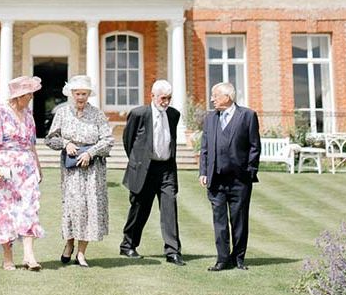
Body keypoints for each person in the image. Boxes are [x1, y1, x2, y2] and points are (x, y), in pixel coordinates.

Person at [44, 74, 113, 268]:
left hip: (92, 171)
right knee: (74, 208)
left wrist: (90, 152)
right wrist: (66, 143)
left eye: (84, 93)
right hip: (71, 171)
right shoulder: (63, 113)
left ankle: (81, 253)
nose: (80, 97)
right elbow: (50, 139)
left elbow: (108, 140)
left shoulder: (98, 114)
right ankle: (69, 244)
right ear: (71, 94)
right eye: (77, 93)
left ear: (89, 94)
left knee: (90, 209)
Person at [118, 79, 184, 265]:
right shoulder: (139, 114)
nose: (166, 102)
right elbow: (128, 141)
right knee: (140, 209)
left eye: (169, 98)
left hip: (166, 169)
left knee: (170, 209)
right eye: (163, 98)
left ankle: (172, 251)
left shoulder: (173, 114)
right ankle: (128, 245)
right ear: (152, 96)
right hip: (144, 169)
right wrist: (138, 162)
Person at [0, 75, 44, 271]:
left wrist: (38, 166)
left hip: (27, 167)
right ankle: (8, 256)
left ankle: (29, 255)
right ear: (18, 96)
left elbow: (32, 144)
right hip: (5, 168)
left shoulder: (28, 115)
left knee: (29, 207)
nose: (31, 98)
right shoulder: (0, 112)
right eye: (29, 95)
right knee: (5, 211)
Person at [199, 81, 261, 271]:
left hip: (239, 180)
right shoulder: (210, 118)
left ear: (228, 97)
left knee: (239, 220)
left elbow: (254, 147)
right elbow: (205, 148)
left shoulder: (247, 116)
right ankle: (222, 259)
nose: (212, 99)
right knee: (219, 221)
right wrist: (203, 171)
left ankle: (238, 258)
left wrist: (249, 172)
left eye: (215, 95)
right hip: (216, 180)